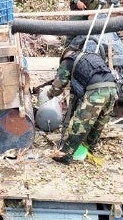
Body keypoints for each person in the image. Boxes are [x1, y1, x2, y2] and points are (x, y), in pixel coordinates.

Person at [46, 35, 118, 164]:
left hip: (97, 92)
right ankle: (88, 149)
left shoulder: (68, 61)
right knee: (98, 123)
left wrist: (50, 94)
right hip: (112, 89)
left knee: (79, 125)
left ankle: (65, 155)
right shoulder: (88, 58)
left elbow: (58, 85)